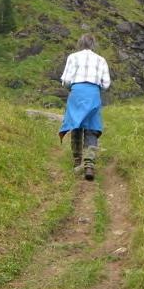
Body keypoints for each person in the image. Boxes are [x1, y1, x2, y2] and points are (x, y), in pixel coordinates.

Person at [59, 33, 111, 181]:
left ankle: (77, 161)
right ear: (93, 44)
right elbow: (106, 84)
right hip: (93, 94)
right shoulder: (101, 60)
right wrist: (95, 86)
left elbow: (66, 80)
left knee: (76, 125)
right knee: (91, 128)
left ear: (80, 43)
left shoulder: (72, 57)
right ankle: (89, 165)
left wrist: (74, 88)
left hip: (77, 93)